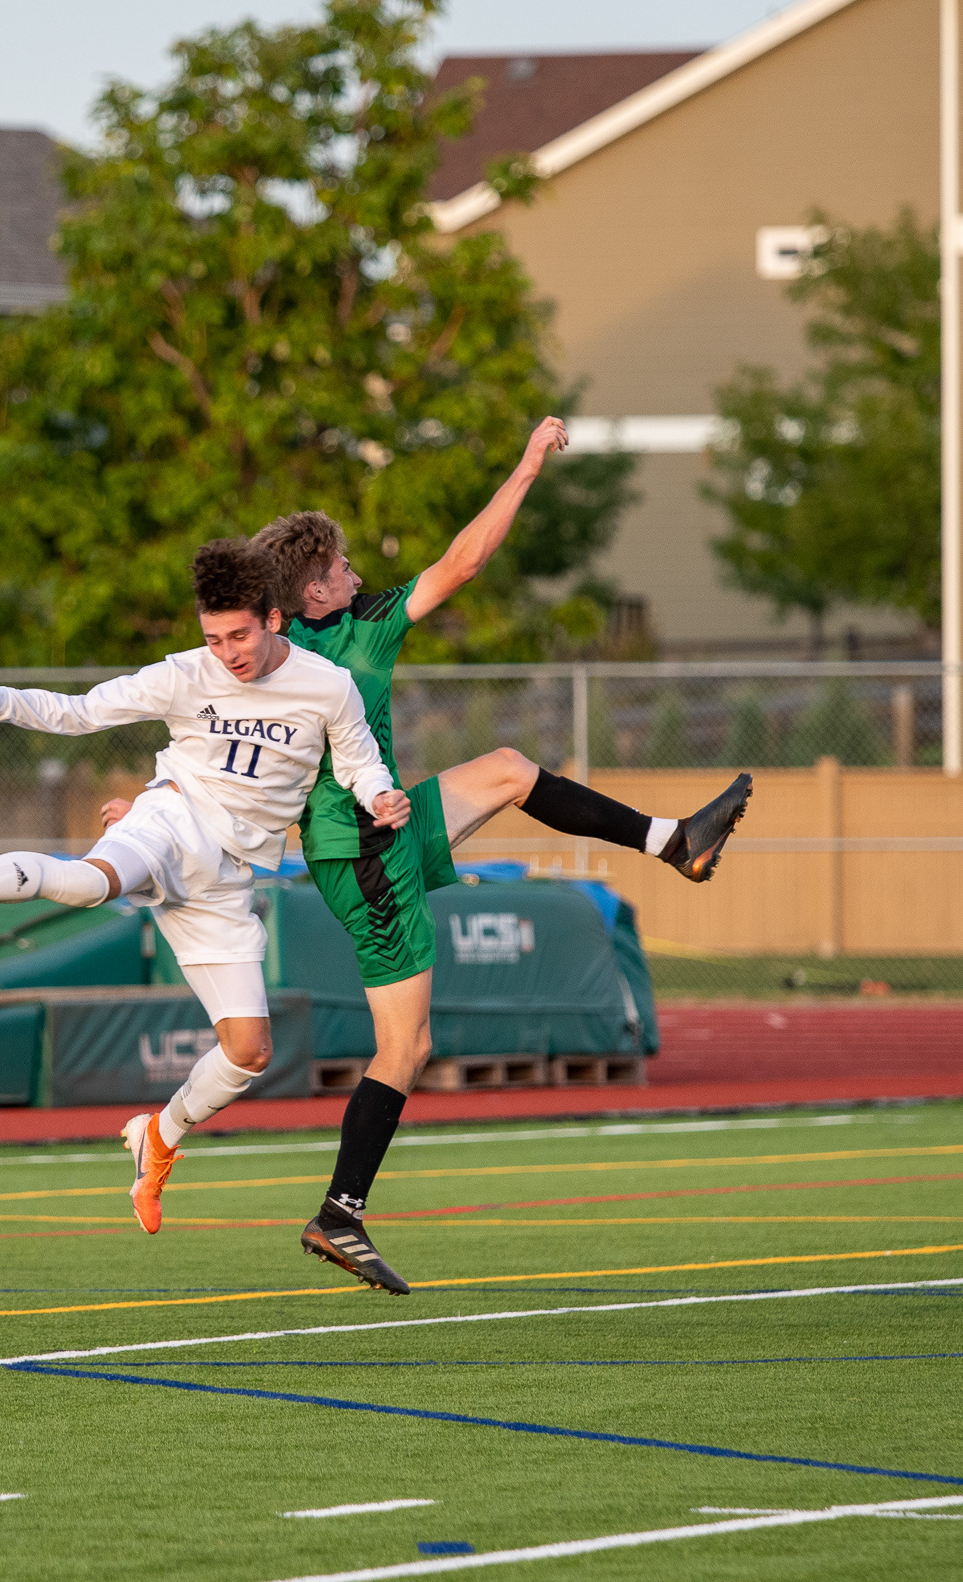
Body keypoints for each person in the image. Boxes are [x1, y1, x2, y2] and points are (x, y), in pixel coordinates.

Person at [247, 417, 752, 1293]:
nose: (356, 573)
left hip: (377, 834)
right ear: (316, 589)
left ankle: (674, 842)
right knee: (406, 1046)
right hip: (365, 857)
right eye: (342, 566)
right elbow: (467, 559)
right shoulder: (357, 634)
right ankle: (340, 1213)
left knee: (509, 771)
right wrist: (524, 467)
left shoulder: (270, 655)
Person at [0, 539, 408, 1238]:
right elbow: (81, 711)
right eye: (213, 639)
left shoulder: (326, 685)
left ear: (274, 620)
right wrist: (2, 702)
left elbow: (360, 762)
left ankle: (158, 1136)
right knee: (94, 884)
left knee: (249, 1052)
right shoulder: (184, 674)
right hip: (169, 822)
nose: (227, 653)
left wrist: (380, 796)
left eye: (239, 635)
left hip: (227, 878)